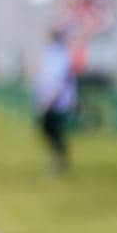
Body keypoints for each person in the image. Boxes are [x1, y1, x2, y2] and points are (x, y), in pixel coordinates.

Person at [33, 26, 77, 172]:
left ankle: (60, 159)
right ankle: (58, 157)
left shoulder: (60, 55)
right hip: (49, 100)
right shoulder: (51, 53)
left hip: (57, 101)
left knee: (52, 129)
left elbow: (58, 81)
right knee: (47, 130)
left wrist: (49, 101)